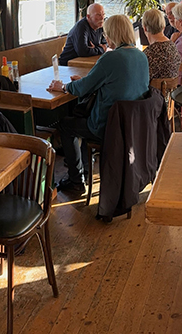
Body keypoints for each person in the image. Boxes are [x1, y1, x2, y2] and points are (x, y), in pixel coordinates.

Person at [48, 13, 150, 200]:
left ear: (112, 34)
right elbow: (108, 82)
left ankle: (76, 181)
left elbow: (84, 88)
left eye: (106, 34)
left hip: (108, 126)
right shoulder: (141, 56)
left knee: (65, 125)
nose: (105, 38)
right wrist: (85, 82)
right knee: (80, 120)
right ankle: (85, 171)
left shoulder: (110, 59)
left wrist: (63, 87)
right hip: (133, 125)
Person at [142, 8, 180, 82]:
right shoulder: (173, 46)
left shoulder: (148, 54)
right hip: (173, 92)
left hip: (154, 93)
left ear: (145, 28)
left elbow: (141, 81)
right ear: (163, 27)